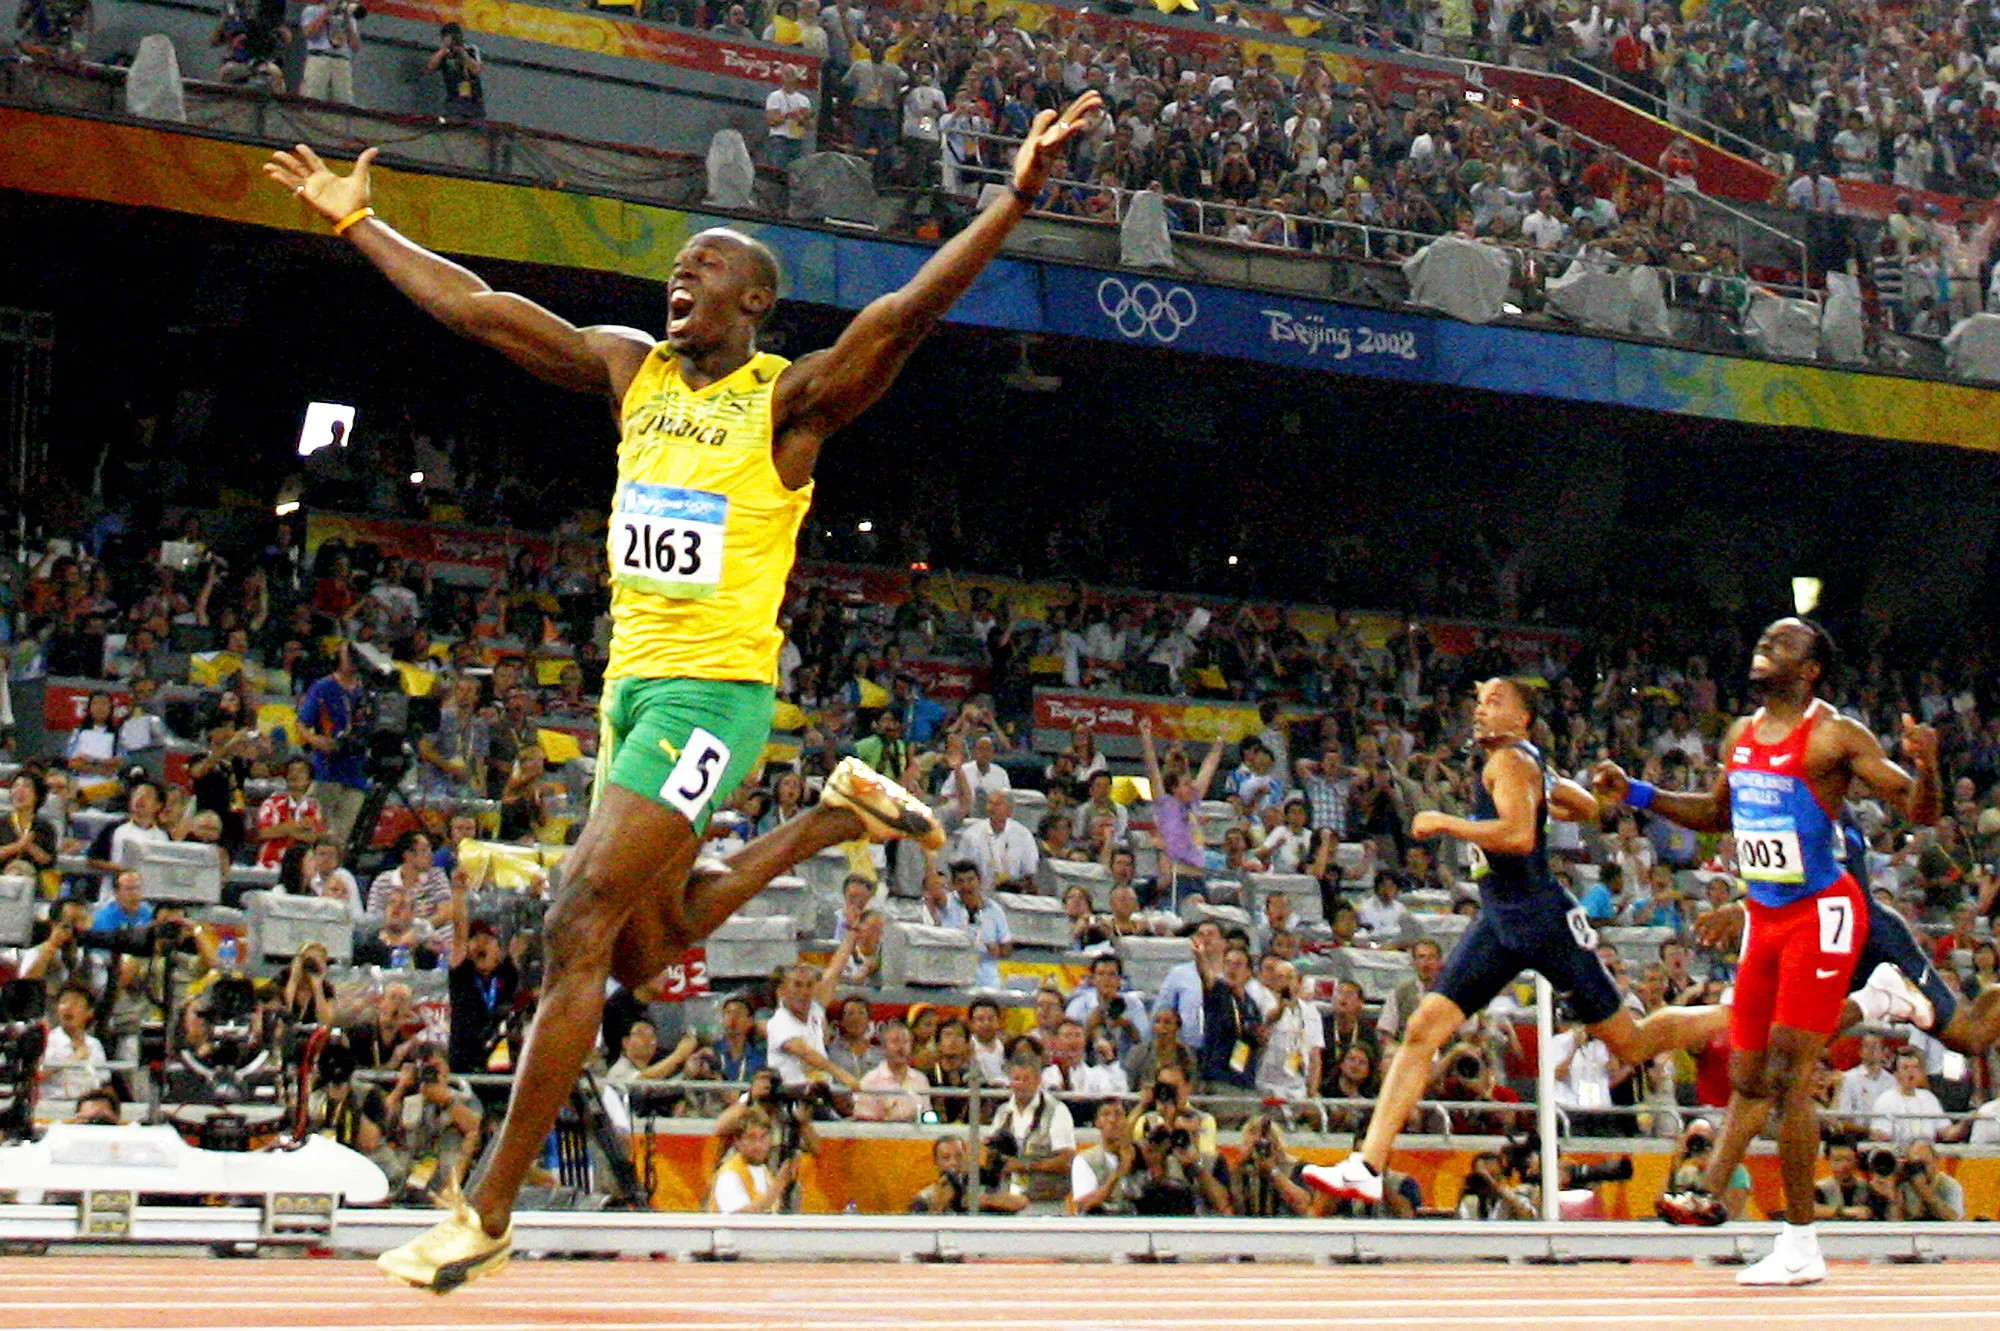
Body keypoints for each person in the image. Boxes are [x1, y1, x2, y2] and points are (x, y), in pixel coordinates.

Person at [269, 101, 1100, 1285]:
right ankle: (831, 816)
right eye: (674, 269)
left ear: (754, 302)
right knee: (646, 945)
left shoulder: (786, 402)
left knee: (571, 920)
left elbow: (907, 319)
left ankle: (487, 1210)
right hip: (630, 698)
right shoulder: (630, 370)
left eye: (704, 271)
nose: (679, 279)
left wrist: (1011, 198)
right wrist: (363, 224)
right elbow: (477, 310)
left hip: (712, 699)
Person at [1597, 618, 1938, 1286]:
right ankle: (1875, 999)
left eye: (1784, 643)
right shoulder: (1740, 734)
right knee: (1748, 1077)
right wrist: (1636, 793)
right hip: (1768, 916)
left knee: (1788, 1070)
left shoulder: (1834, 733)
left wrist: (1926, 764)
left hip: (1825, 910)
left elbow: (1916, 812)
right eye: (1765, 639)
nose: (1766, 647)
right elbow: (1717, 814)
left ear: (1811, 670)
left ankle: (1801, 1242)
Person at [1306, 679, 1727, 1211]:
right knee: (1421, 1030)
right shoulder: (1525, 760)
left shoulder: (1508, 761)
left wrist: (1445, 822)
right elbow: (1584, 806)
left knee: (1631, 1044)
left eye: (1496, 703)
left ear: (1524, 720)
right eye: (1478, 702)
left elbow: (1519, 837)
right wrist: (1557, 788)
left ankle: (1736, 1012)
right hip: (1502, 920)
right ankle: (1367, 1165)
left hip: (1542, 919)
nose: (1481, 712)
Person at [427, 22, 484, 120]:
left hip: (473, 98)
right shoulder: (443, 53)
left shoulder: (470, 49)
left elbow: (476, 69)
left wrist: (462, 53)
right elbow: (430, 67)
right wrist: (444, 51)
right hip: (453, 97)